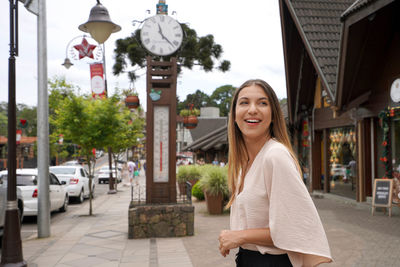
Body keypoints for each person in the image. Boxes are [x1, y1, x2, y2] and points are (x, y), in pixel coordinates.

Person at [218, 79, 332, 267]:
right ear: (234, 115)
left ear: (273, 115)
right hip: (248, 259)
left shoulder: (275, 156)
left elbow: (293, 227)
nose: (252, 109)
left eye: (262, 103)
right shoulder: (244, 163)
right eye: (244, 102)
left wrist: (238, 236)